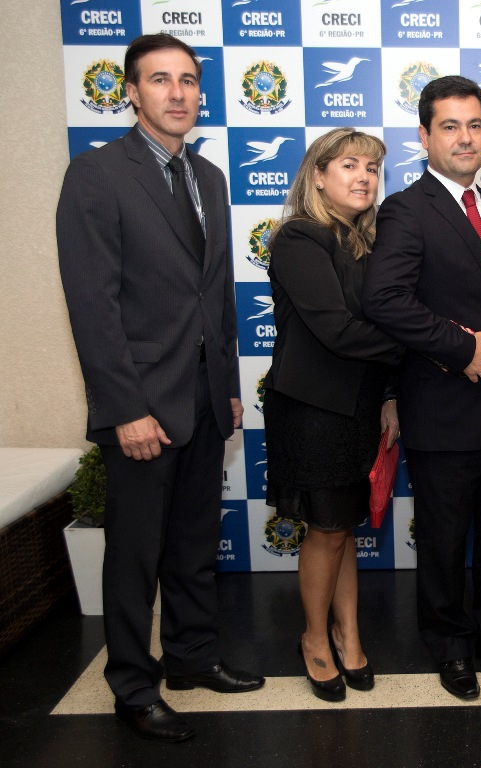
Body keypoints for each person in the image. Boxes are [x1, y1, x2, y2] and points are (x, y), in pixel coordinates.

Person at [57, 33, 263, 743]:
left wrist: (225, 384)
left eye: (188, 80)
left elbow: (216, 292)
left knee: (193, 542)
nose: (177, 93)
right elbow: (93, 305)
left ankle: (192, 658)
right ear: (131, 92)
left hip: (203, 396)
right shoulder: (96, 175)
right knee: (134, 555)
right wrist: (125, 409)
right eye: (159, 79)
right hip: (142, 403)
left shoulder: (209, 176)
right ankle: (132, 685)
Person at [363, 75, 481, 701]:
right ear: (425, 135)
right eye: (451, 126)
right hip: (442, 403)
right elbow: (385, 299)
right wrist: (461, 349)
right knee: (443, 536)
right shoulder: (406, 209)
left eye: (475, 125)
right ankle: (450, 645)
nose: (465, 138)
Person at [264, 128, 405, 703]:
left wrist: (390, 395)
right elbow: (338, 331)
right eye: (349, 165)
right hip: (313, 412)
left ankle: (349, 634)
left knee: (343, 527)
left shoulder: (364, 244)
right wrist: (430, 345)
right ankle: (315, 639)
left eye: (371, 168)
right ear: (318, 176)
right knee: (325, 529)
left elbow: (378, 330)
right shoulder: (300, 237)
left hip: (359, 409)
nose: (363, 177)